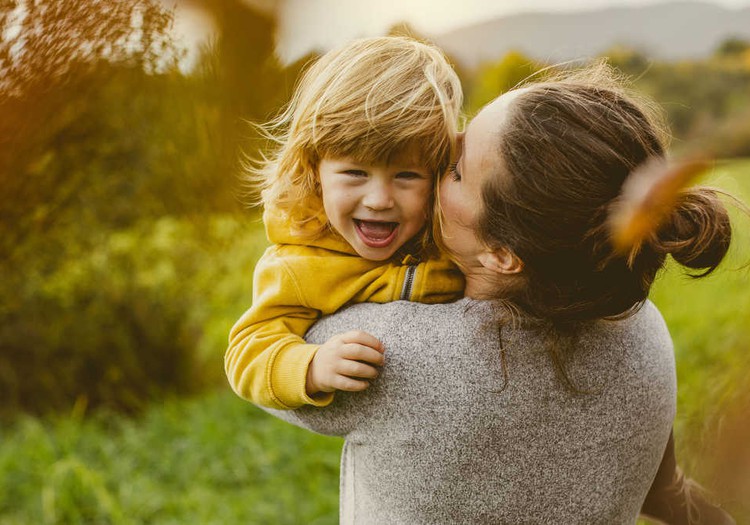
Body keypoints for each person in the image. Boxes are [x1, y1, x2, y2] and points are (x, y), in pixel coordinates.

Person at [261, 64, 736, 524]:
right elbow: (666, 491)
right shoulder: (642, 328)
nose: (434, 158)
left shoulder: (388, 351)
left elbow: (265, 362)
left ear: (502, 254)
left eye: (455, 170)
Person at [224, 36, 464, 411]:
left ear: (437, 176)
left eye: (406, 176)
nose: (380, 200)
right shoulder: (299, 264)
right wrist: (311, 367)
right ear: (314, 171)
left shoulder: (452, 231)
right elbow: (247, 350)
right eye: (355, 173)